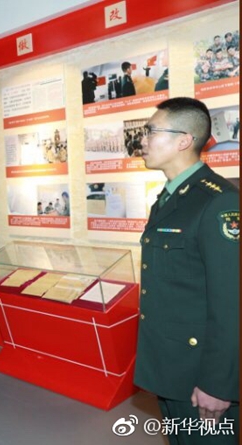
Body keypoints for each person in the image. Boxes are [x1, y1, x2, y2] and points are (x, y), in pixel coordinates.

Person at [135, 97, 239, 443]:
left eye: (151, 131)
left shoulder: (218, 201)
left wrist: (218, 383)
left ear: (183, 140)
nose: (143, 140)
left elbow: (231, 302)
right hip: (171, 367)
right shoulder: (170, 198)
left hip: (201, 379)